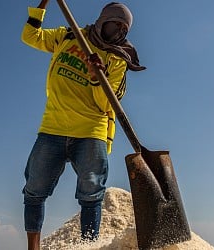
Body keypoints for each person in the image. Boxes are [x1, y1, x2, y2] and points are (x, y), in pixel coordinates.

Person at [21, 0, 145, 249]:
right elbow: (30, 36)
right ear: (103, 20)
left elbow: (105, 104)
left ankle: (87, 247)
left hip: (91, 132)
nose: (118, 31)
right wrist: (43, 3)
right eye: (115, 24)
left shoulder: (117, 58)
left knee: (91, 195)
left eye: (124, 29)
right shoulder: (68, 35)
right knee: (34, 191)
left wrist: (96, 77)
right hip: (52, 127)